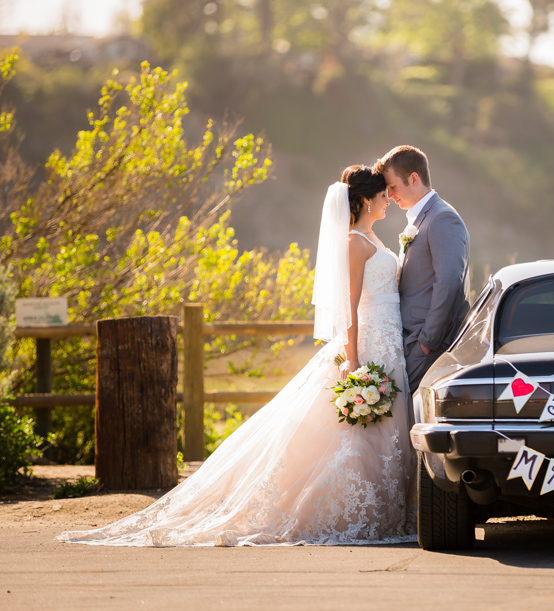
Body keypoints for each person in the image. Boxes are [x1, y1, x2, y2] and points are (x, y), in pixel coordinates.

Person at [57, 166, 416, 547]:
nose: (386, 202)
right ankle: (351, 513)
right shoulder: (355, 243)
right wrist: (353, 358)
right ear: (363, 201)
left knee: (380, 431)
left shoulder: (374, 237)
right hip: (369, 342)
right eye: (381, 197)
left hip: (389, 342)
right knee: (353, 434)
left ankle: (385, 511)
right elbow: (348, 305)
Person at [374, 146, 470, 391]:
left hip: (425, 344)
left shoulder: (442, 218)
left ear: (413, 179)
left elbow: (448, 283)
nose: (390, 195)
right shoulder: (421, 218)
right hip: (410, 340)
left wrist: (428, 341)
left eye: (392, 187)